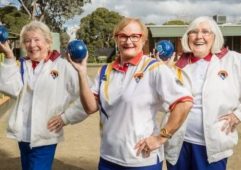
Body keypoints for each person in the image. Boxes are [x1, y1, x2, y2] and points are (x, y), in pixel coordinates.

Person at [68, 17, 193, 170]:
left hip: (142, 160)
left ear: (144, 40)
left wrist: (162, 137)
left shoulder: (155, 68)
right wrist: (81, 72)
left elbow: (184, 102)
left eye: (135, 36)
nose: (129, 41)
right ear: (116, 39)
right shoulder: (104, 71)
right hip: (109, 158)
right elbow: (90, 107)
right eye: (123, 36)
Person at [163, 16, 241, 170]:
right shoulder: (177, 66)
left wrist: (240, 114)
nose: (199, 36)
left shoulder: (233, 61)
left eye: (205, 32)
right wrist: (162, 71)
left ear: (215, 37)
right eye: (193, 32)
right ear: (187, 37)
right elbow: (162, 101)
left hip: (212, 149)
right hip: (178, 145)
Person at [0, 21, 88, 170]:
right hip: (23, 136)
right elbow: (10, 89)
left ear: (48, 43)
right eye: (27, 41)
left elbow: (88, 95)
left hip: (45, 135)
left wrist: (66, 117)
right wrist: (9, 56)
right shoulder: (22, 65)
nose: (32, 44)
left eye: (36, 39)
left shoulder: (63, 66)